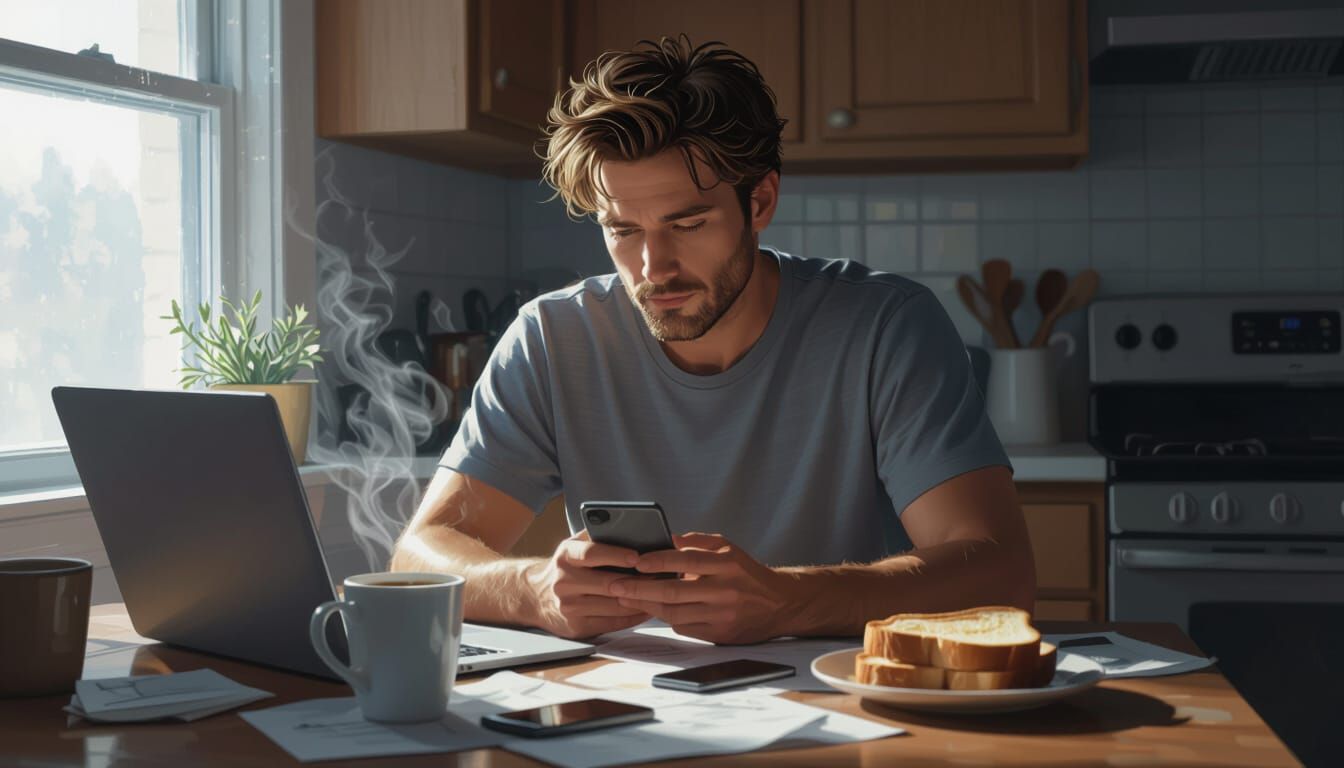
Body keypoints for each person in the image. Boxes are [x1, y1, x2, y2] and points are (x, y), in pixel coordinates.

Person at [391, 37, 1035, 644]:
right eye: (623, 231)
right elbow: (419, 556)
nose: (652, 268)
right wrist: (534, 589)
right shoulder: (552, 338)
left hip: (847, 697)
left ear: (759, 202)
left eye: (687, 223)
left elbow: (999, 572)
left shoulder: (887, 327)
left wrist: (787, 600)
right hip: (632, 710)